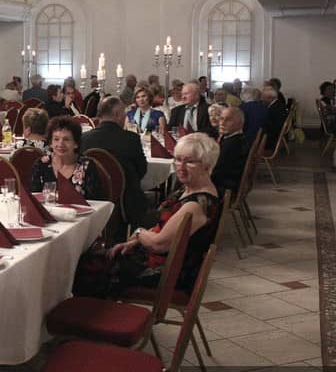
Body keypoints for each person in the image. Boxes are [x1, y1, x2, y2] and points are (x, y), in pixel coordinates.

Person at [73, 133, 220, 297]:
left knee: (84, 268)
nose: (181, 166)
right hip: (158, 260)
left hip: (167, 272)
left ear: (207, 166)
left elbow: (159, 244)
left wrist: (139, 233)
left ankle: (89, 311)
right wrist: (135, 242)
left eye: (190, 162)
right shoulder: (189, 189)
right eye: (178, 160)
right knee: (89, 259)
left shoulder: (196, 205)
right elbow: (163, 228)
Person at [81, 96, 149, 240]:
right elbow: (142, 170)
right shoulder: (131, 139)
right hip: (126, 202)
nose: (125, 117)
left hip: (91, 199)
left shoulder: (84, 138)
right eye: (124, 113)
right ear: (117, 114)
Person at [30, 116, 101, 197]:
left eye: (66, 139)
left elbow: (96, 201)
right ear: (51, 143)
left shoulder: (86, 166)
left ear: (76, 144)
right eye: (56, 139)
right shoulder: (41, 164)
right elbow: (33, 198)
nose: (60, 144)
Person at [212, 106, 248, 196]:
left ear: (240, 124)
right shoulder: (234, 138)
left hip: (224, 187)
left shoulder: (233, 144)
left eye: (228, 120)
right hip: (225, 181)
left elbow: (218, 171)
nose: (222, 123)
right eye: (221, 119)